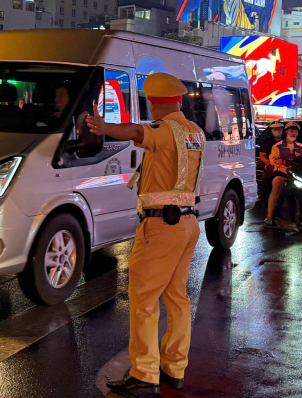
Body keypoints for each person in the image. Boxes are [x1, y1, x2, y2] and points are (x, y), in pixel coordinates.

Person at [86, 72, 204, 395]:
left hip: (161, 227)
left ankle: (144, 373)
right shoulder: (195, 133)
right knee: (178, 298)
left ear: (154, 105)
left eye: (150, 104)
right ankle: (174, 368)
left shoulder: (165, 131)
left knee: (144, 298)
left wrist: (105, 127)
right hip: (188, 224)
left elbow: (137, 132)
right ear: (178, 101)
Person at [265, 122, 302, 226]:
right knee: (277, 186)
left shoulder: (300, 147)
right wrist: (283, 162)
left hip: (297, 174)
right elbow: (273, 160)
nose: (294, 134)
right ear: (286, 132)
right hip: (282, 172)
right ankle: (269, 217)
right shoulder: (277, 146)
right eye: (291, 131)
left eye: (296, 132)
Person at [259, 122, 284, 200]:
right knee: (268, 177)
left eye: (279, 129)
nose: (277, 131)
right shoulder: (267, 142)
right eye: (275, 129)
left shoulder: (287, 141)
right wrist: (269, 163)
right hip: (273, 165)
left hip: (286, 165)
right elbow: (262, 156)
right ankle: (265, 196)